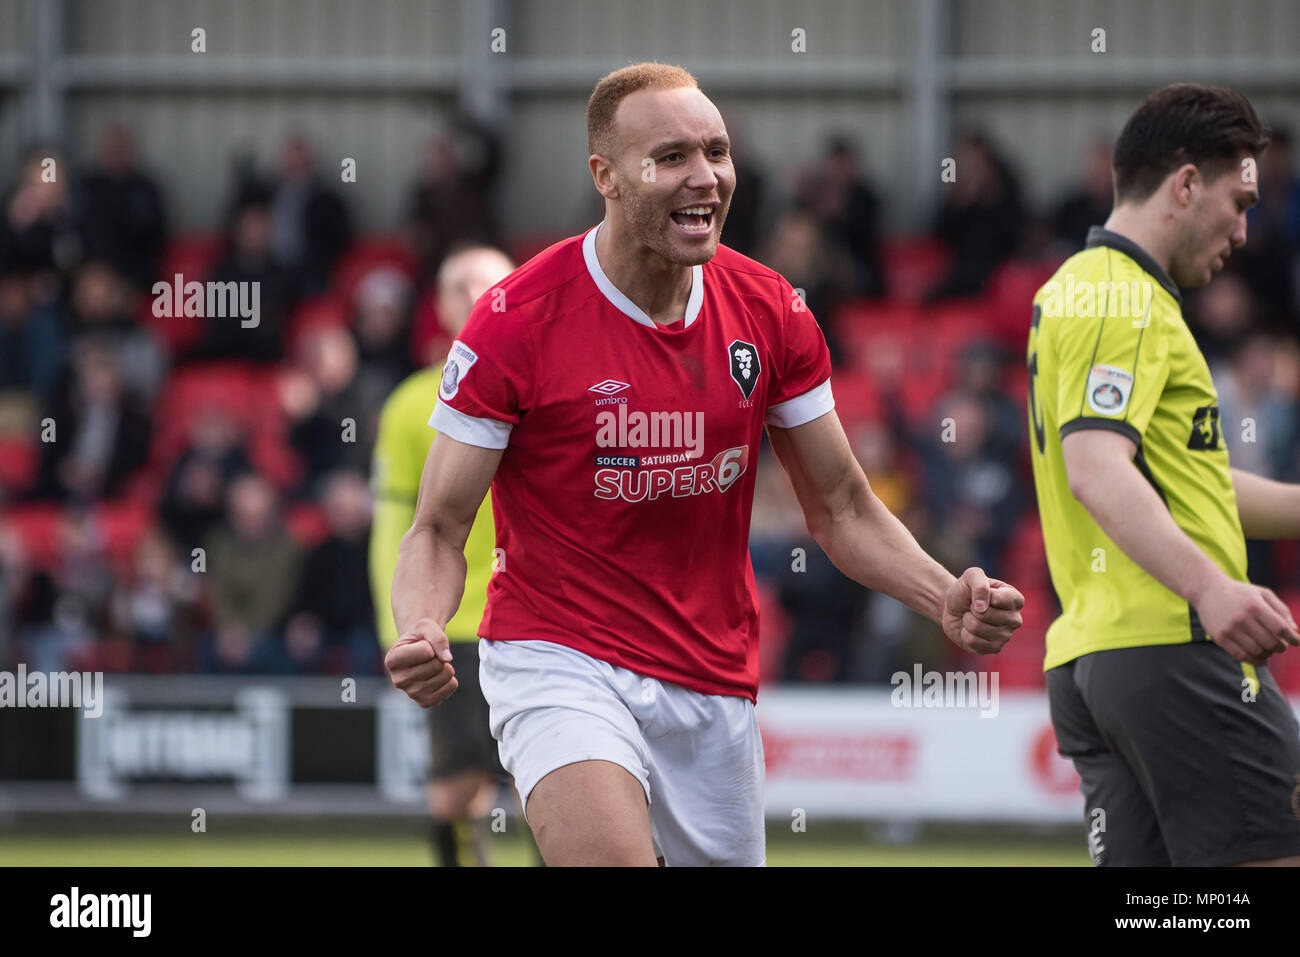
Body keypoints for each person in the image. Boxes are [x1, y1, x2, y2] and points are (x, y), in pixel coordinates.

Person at [385, 62, 1025, 867]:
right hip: (558, 654)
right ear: (606, 177)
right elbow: (440, 525)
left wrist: (945, 594)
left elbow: (843, 506)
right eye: (673, 157)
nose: (706, 177)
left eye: (717, 152)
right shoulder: (516, 321)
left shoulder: (772, 310)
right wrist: (420, 624)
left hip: (711, 675)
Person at [1027, 83, 1300, 867]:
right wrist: (1212, 589)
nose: (1245, 231)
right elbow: (1097, 471)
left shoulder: (1070, 290)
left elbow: (1184, 483)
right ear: (1185, 184)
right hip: (1176, 643)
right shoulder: (1127, 297)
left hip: (1097, 659)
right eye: (1239, 201)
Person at [369, 244, 519, 866]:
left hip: (535, 618)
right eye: (458, 287)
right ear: (439, 304)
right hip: (452, 623)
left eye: (484, 284)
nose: (472, 297)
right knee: (458, 780)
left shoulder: (549, 386)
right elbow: (394, 525)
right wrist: (402, 623)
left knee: (556, 775)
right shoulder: (410, 404)